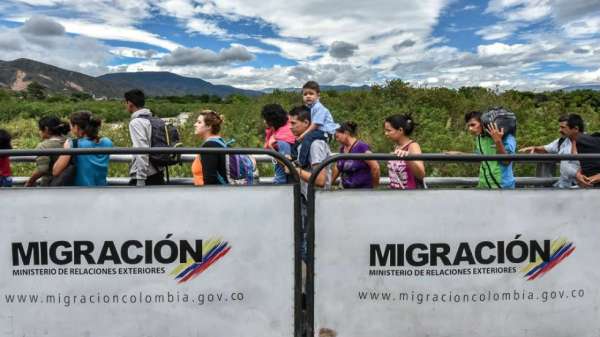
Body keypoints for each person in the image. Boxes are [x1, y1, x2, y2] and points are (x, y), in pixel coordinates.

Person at [450, 110, 516, 189]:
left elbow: (506, 161)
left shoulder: (507, 137)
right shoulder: (480, 138)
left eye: (473, 125)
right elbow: (479, 156)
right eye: (468, 126)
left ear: (482, 123)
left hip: (502, 186)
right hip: (484, 185)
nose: (470, 129)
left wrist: (498, 141)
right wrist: (459, 154)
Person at [519, 114, 583, 188]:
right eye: (560, 127)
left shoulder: (589, 143)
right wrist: (534, 148)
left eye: (563, 127)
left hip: (579, 186)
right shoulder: (562, 141)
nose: (560, 130)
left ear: (575, 128)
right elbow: (547, 148)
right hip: (563, 185)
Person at [53, 111, 113, 186]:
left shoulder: (73, 144)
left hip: (81, 191)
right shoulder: (107, 142)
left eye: (71, 126)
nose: (70, 129)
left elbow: (56, 171)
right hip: (101, 189)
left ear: (76, 127)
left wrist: (66, 147)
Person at [124, 89, 164, 186]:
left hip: (146, 176)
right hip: (158, 171)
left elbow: (141, 150)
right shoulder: (153, 118)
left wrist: (141, 179)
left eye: (125, 102)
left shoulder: (136, 122)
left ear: (130, 103)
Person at [296, 81, 339, 168]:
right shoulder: (310, 108)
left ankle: (301, 162)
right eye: (305, 94)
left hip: (326, 132)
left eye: (311, 94)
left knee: (307, 137)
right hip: (320, 132)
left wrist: (303, 135)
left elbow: (315, 125)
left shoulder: (319, 107)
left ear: (318, 96)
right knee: (303, 140)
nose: (308, 96)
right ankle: (298, 158)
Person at [332, 121, 380, 188]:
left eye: (337, 137)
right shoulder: (342, 149)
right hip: (347, 191)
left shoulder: (361, 147)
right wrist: (329, 183)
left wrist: (375, 188)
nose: (337, 140)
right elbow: (338, 167)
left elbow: (375, 167)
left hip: (363, 191)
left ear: (346, 133)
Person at [25, 116, 70, 187]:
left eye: (39, 129)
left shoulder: (44, 146)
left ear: (46, 129)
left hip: (51, 185)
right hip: (69, 182)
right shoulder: (69, 141)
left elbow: (42, 169)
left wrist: (30, 181)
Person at [384, 114, 425, 189]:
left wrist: (408, 158)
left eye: (389, 130)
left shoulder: (413, 146)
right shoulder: (396, 147)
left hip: (410, 196)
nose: (386, 133)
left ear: (400, 130)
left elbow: (421, 174)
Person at [191, 110, 229, 186]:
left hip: (207, 195)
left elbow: (210, 179)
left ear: (209, 126)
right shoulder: (219, 141)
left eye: (199, 122)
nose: (195, 125)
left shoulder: (210, 146)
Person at [262, 103, 296, 184]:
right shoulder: (279, 131)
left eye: (266, 119)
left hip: (284, 183)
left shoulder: (283, 140)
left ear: (272, 120)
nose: (264, 121)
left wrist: (279, 183)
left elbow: (285, 164)